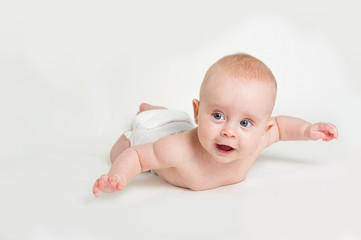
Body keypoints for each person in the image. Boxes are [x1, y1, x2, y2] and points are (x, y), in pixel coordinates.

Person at [92, 53, 338, 198]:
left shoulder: (258, 139)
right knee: (119, 151)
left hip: (182, 123)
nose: (229, 131)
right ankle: (147, 114)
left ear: (264, 129)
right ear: (199, 112)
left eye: (244, 122)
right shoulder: (178, 149)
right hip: (151, 135)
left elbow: (282, 127)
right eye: (218, 116)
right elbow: (138, 156)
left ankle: (153, 109)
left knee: (177, 120)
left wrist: (308, 130)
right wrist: (118, 175)